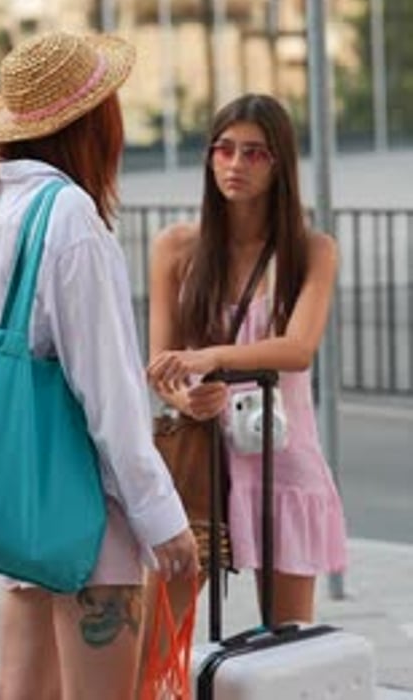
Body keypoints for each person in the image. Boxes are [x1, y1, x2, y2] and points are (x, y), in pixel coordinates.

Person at [0, 30, 198, 700]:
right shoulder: (72, 217)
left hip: (25, 497)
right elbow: (110, 396)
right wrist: (164, 520)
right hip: (88, 503)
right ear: (92, 123)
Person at [146, 93, 347, 629]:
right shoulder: (175, 248)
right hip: (201, 460)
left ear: (280, 163)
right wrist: (186, 396)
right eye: (225, 149)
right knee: (159, 638)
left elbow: (297, 350)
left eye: (255, 153)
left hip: (282, 457)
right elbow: (161, 364)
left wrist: (211, 356)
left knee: (286, 645)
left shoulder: (311, 251)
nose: (235, 165)